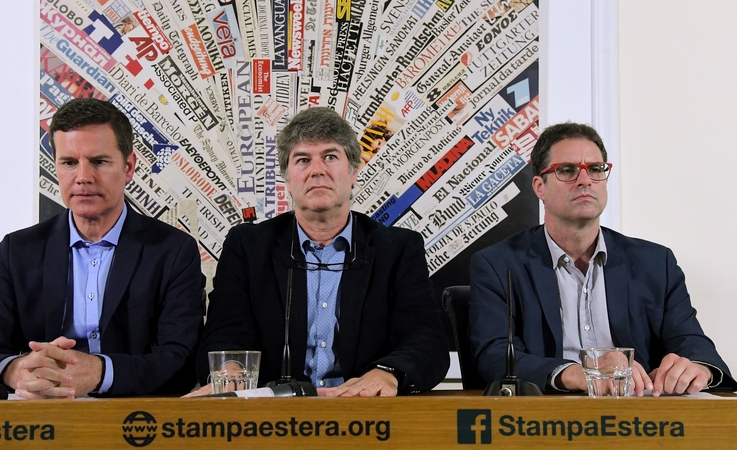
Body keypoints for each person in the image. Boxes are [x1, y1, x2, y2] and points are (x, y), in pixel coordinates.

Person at [188, 107, 449, 397]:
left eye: (330, 157)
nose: (317, 170)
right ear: (287, 180)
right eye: (302, 160)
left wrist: (386, 373)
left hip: (365, 414)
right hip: (272, 422)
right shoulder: (248, 246)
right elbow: (223, 334)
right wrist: (232, 370)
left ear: (353, 173)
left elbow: (427, 341)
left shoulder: (398, 249)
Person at [469, 122, 735, 395]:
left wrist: (697, 369)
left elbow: (693, 344)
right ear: (539, 187)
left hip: (641, 420)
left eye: (596, 169)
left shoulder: (655, 263)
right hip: (547, 420)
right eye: (567, 170)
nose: (585, 180)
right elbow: (494, 356)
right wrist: (575, 373)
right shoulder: (498, 265)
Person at [0, 98, 203, 398]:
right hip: (39, 417)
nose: (83, 177)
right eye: (69, 163)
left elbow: (180, 363)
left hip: (133, 419)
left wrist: (100, 373)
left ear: (128, 166)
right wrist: (19, 371)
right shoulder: (18, 250)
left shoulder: (173, 250)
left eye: (99, 162)